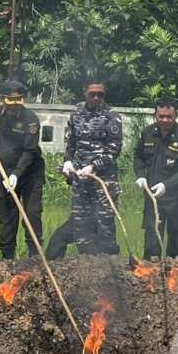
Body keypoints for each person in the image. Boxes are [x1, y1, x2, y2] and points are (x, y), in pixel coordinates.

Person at [0, 79, 44, 260]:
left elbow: (30, 151)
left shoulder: (31, 120)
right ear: (3, 99)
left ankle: (35, 256)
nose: (14, 108)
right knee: (7, 213)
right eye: (10, 103)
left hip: (30, 172)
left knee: (32, 213)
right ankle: (7, 258)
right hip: (5, 168)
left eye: (17, 103)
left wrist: (16, 174)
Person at [61, 78, 122, 255]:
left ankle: (109, 264)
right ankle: (87, 264)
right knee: (81, 224)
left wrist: (94, 166)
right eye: (92, 94)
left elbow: (114, 150)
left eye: (100, 94)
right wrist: (67, 161)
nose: (96, 98)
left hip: (104, 181)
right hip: (80, 179)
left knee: (104, 223)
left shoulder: (112, 116)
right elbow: (70, 141)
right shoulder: (76, 112)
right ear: (84, 92)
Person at [133, 97, 178, 259]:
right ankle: (151, 271)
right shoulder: (147, 133)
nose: (165, 120)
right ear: (155, 115)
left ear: (176, 116)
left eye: (169, 117)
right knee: (152, 240)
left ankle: (174, 272)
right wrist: (140, 176)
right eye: (161, 116)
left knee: (176, 242)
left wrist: (166, 185)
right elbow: (138, 156)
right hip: (153, 196)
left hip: (177, 199)